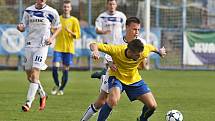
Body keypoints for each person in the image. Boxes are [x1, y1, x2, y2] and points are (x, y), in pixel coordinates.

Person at [80, 17, 148, 121]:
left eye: (138, 29)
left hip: (130, 77)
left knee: (112, 101)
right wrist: (111, 64)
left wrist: (144, 63)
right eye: (134, 29)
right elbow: (108, 57)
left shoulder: (141, 42)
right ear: (127, 27)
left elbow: (143, 62)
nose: (137, 32)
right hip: (114, 75)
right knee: (101, 102)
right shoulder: (118, 40)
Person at [90, 39, 166, 121]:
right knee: (113, 100)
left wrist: (160, 52)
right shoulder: (117, 50)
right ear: (130, 51)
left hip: (134, 79)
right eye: (137, 55)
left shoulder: (143, 52)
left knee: (152, 106)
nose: (139, 57)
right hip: (116, 77)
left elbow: (153, 48)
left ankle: (142, 119)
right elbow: (93, 44)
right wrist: (95, 51)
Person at [17, 0, 61, 112]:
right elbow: (23, 25)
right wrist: (20, 27)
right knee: (29, 77)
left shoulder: (52, 11)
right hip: (29, 45)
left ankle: (28, 103)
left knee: (35, 75)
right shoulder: (28, 10)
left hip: (42, 46)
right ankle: (43, 94)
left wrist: (52, 38)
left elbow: (58, 27)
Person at [51, 0, 81, 96]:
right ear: (62, 8)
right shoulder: (58, 19)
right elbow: (53, 31)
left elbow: (78, 35)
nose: (66, 8)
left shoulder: (74, 20)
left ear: (70, 8)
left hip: (69, 49)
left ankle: (61, 89)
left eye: (68, 7)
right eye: (64, 7)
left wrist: (70, 32)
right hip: (58, 48)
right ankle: (57, 84)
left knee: (65, 70)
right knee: (55, 67)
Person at [91, 0, 127, 79]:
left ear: (116, 5)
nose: (112, 6)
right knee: (109, 65)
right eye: (110, 4)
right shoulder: (102, 17)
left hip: (119, 46)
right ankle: (104, 79)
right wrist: (104, 31)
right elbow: (97, 30)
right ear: (107, 5)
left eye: (113, 4)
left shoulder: (121, 16)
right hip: (107, 45)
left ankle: (101, 76)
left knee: (118, 66)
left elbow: (125, 30)